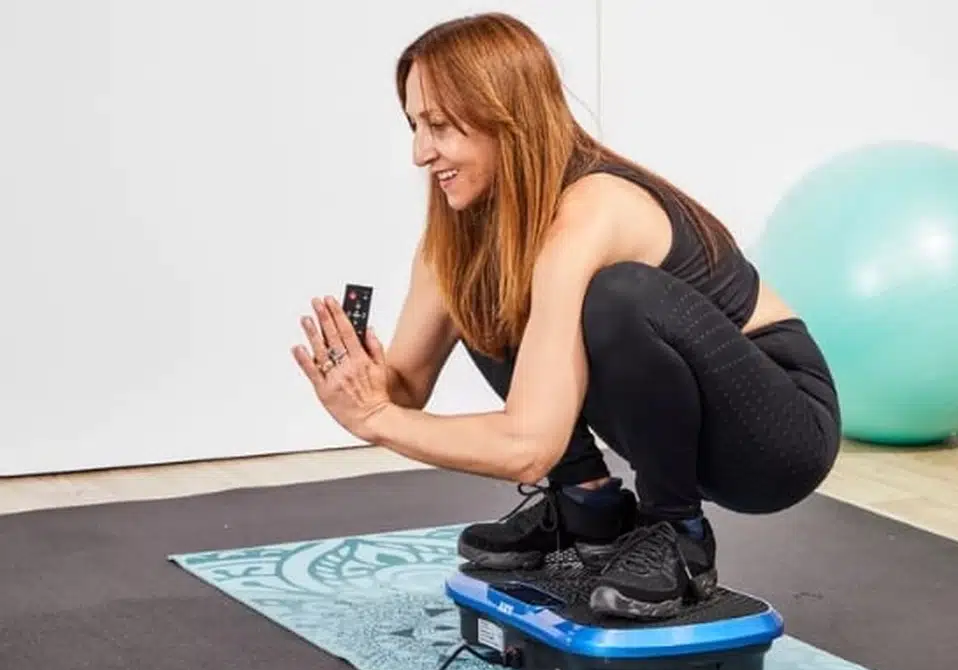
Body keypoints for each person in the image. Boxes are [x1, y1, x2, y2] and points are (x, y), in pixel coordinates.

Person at [291, 12, 841, 621]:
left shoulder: (595, 208)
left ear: (504, 114)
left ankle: (678, 534)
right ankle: (588, 508)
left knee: (617, 295)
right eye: (415, 126)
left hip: (778, 433)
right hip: (679, 423)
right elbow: (404, 389)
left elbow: (528, 444)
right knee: (480, 278)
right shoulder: (466, 230)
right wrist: (360, 384)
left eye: (439, 126)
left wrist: (376, 421)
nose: (422, 153)